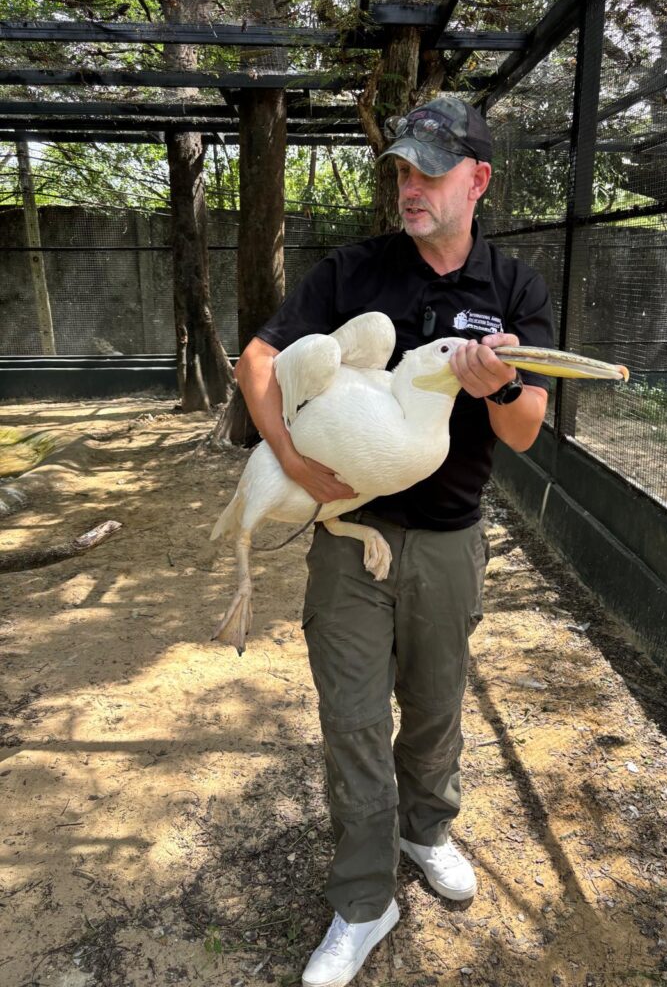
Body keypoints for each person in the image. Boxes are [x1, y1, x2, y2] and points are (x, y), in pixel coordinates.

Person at [234, 96, 554, 987]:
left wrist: (499, 386)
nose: (410, 186)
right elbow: (259, 360)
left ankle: (427, 830)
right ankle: (363, 901)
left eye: (430, 171)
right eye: (403, 171)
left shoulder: (513, 289)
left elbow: (526, 431)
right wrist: (292, 456)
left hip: (451, 541)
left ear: (478, 180)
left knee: (438, 707)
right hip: (352, 537)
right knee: (353, 720)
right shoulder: (356, 273)